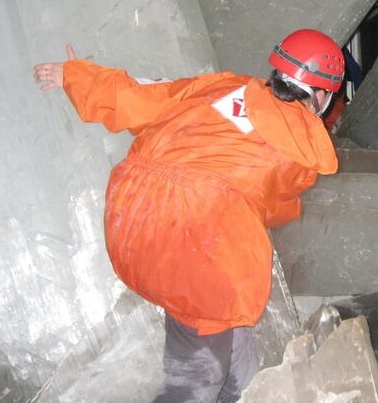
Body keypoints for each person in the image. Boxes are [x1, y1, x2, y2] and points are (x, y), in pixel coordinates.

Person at [33, 29, 344, 402]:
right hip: (192, 237)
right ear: (322, 95)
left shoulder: (227, 87)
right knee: (201, 375)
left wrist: (76, 76)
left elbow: (146, 95)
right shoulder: (300, 147)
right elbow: (270, 205)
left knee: (237, 348)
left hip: (129, 213)